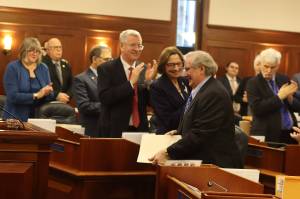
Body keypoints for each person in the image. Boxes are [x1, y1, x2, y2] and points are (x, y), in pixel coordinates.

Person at [149, 50, 242, 168]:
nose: (183, 73)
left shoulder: (213, 93)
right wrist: (179, 131)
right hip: (203, 161)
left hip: (215, 165)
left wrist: (168, 152)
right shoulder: (201, 89)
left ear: (201, 69)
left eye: (187, 69)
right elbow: (196, 120)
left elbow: (200, 133)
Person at [97, 29, 158, 138]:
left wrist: (149, 83)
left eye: (139, 45)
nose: (137, 49)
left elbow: (151, 103)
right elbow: (105, 98)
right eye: (133, 45)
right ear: (122, 46)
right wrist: (130, 83)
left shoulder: (144, 69)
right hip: (114, 130)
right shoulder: (106, 68)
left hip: (140, 129)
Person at [246, 48, 300, 144]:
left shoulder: (283, 78)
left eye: (272, 67)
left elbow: (296, 107)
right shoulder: (253, 83)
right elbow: (257, 109)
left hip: (290, 132)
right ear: (261, 64)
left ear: (278, 66)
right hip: (267, 134)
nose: (268, 70)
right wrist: (279, 96)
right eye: (266, 66)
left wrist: (290, 98)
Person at [3, 37, 54, 121]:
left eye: (37, 51)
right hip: (14, 118)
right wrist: (36, 95)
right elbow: (12, 96)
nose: (35, 54)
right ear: (24, 51)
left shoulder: (43, 68)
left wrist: (48, 92)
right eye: (31, 50)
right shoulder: (13, 67)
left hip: (38, 118)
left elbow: (50, 95)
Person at [150, 46, 190, 134]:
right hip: (167, 134)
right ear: (163, 66)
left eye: (178, 64)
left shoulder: (185, 81)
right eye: (171, 65)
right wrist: (191, 103)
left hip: (185, 132)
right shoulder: (157, 86)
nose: (176, 68)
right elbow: (168, 120)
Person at [73, 46, 112, 137]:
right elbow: (84, 106)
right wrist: (108, 106)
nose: (110, 62)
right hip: (93, 129)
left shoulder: (112, 78)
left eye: (111, 59)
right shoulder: (81, 79)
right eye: (106, 59)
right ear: (94, 59)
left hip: (110, 129)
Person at [42, 38, 73, 103]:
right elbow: (41, 85)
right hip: (47, 104)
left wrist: (67, 96)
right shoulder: (42, 65)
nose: (59, 49)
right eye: (56, 47)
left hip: (64, 103)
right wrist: (56, 95)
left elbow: (72, 84)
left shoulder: (66, 64)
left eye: (60, 47)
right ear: (48, 50)